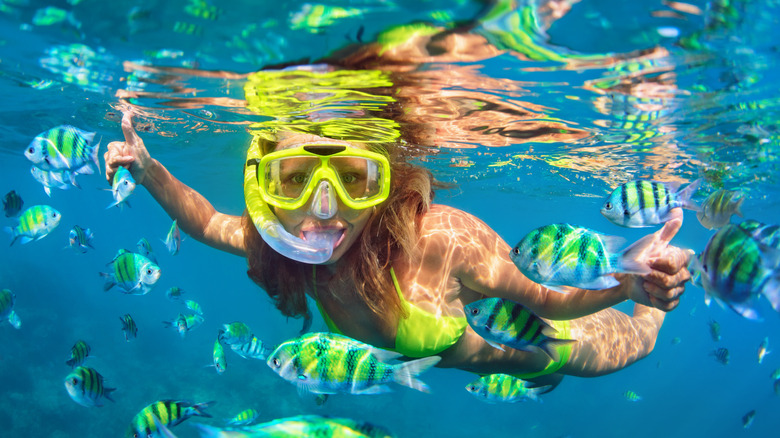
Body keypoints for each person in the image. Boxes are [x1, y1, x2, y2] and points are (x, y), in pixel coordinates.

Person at [104, 2, 693, 390]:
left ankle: (657, 270)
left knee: (637, 341)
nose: (322, 208)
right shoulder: (282, 247)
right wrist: (148, 169)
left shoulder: (441, 239)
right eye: (294, 179)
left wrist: (629, 284)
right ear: (264, 185)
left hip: (551, 349)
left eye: (354, 178)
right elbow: (207, 222)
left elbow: (549, 297)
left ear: (386, 184)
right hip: (482, 358)